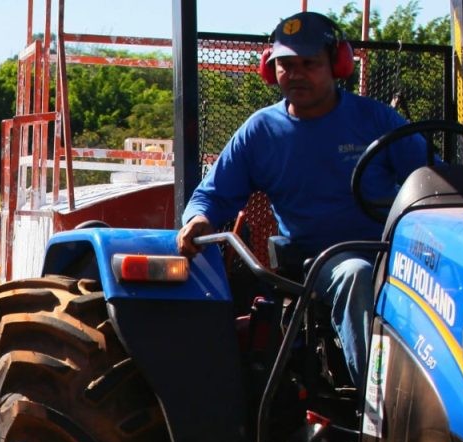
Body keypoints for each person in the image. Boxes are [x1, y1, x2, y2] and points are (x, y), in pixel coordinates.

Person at [177, 11, 426, 389]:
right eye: (285, 65)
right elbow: (212, 195)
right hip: (322, 262)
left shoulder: (376, 120)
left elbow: (430, 179)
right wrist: (198, 219)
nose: (295, 74)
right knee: (354, 274)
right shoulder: (261, 132)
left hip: (396, 253)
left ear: (337, 65)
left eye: (309, 64)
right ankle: (379, 409)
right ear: (269, 69)